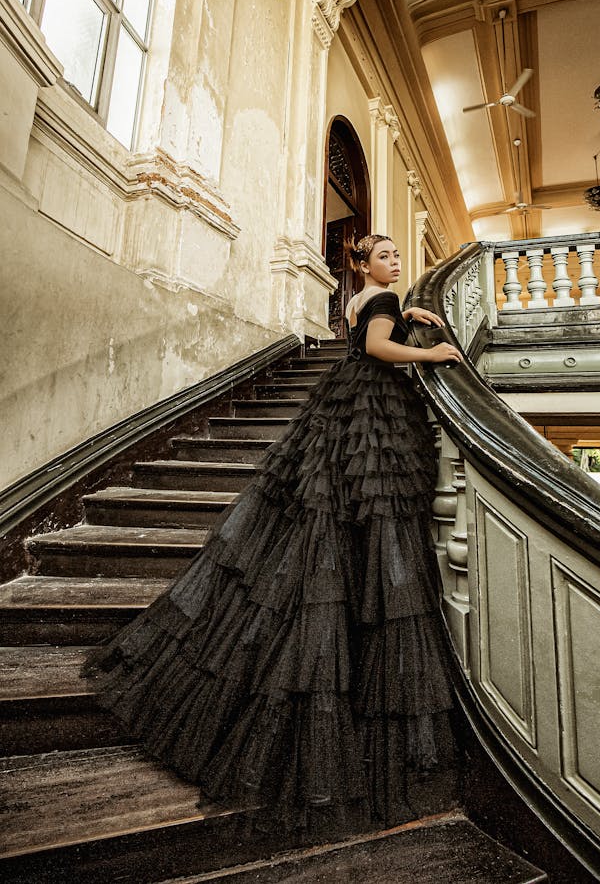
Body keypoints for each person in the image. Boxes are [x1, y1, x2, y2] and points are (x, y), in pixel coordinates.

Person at [85, 234, 465, 832]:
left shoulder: (360, 298)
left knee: (330, 515)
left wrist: (409, 311)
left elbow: (366, 328)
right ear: (363, 264)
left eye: (396, 255)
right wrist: (433, 353)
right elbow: (377, 346)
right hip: (372, 411)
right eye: (385, 256)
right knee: (373, 516)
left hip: (343, 406)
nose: (395, 261)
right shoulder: (381, 305)